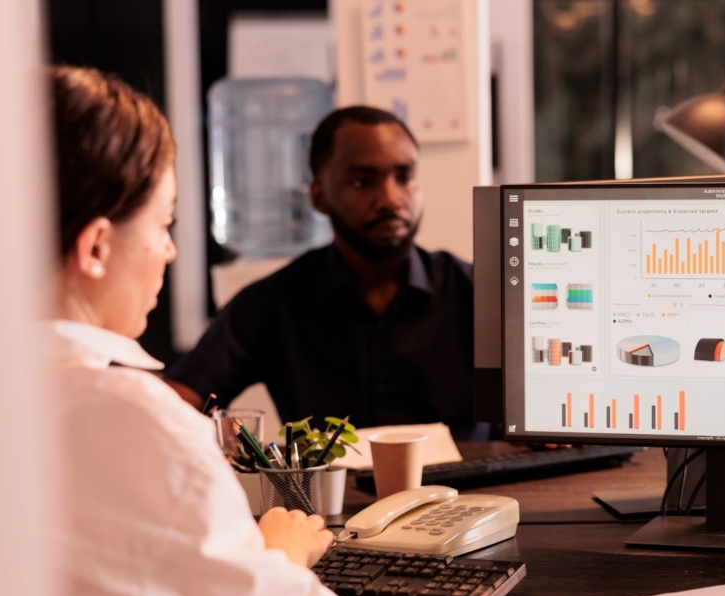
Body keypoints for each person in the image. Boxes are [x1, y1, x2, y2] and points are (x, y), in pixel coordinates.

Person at [47, 65, 365, 596]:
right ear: (96, 247)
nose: (168, 250)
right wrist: (281, 553)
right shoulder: (128, 421)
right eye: (164, 224)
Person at [165, 106, 485, 440]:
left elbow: (539, 397)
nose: (391, 200)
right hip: (331, 494)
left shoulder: (476, 290)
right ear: (319, 197)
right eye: (363, 181)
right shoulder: (274, 303)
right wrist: (206, 435)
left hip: (474, 490)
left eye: (404, 178)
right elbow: (176, 401)